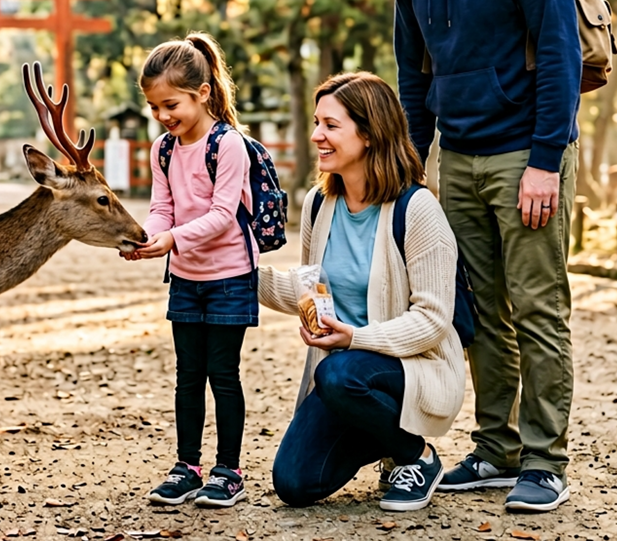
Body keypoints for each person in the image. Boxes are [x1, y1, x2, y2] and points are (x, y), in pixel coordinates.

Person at [366, 0, 582, 513]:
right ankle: (497, 449)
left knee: (537, 306)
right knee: (479, 311)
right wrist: (411, 164)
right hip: (457, 157)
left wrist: (546, 160)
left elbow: (559, 51)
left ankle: (545, 461)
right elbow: (412, 71)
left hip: (527, 153)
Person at [261, 71, 464, 512]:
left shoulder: (417, 208)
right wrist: (238, 275)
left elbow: (433, 321)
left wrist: (354, 338)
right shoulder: (320, 203)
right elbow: (308, 287)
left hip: (410, 368)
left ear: (370, 134)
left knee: (339, 373)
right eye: (317, 123)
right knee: (294, 483)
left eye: (331, 126)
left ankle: (416, 456)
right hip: (347, 378)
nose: (317, 135)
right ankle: (382, 437)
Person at [121, 32, 256, 508]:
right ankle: (187, 466)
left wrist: (172, 238)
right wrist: (149, 236)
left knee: (223, 374)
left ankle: (229, 470)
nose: (163, 116)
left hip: (229, 276)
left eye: (171, 104)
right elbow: (163, 206)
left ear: (202, 93)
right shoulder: (164, 148)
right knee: (187, 374)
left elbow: (223, 214)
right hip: (186, 277)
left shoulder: (228, 144)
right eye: (155, 107)